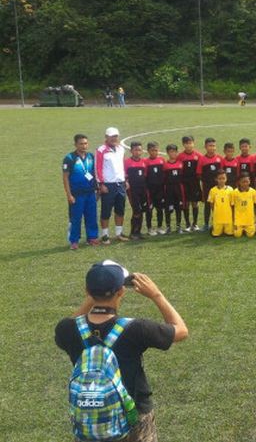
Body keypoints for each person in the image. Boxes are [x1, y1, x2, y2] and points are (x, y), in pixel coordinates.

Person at [55, 260, 188, 442]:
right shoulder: (136, 328)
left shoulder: (67, 328)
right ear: (121, 291)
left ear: (87, 291)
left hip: (92, 416)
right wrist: (156, 295)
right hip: (134, 412)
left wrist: (93, 299)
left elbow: (73, 322)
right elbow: (180, 330)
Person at [63, 134, 99, 249]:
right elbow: (65, 178)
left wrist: (97, 189)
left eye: (85, 143)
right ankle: (74, 241)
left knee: (91, 216)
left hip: (90, 193)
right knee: (76, 218)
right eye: (81, 144)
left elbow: (94, 174)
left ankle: (92, 238)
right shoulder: (69, 158)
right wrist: (69, 195)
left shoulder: (91, 156)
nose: (84, 146)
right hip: (77, 195)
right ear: (75, 144)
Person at [96, 127, 129, 244]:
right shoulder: (101, 150)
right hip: (108, 185)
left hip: (120, 184)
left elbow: (122, 165)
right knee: (106, 211)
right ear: (106, 137)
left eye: (116, 136)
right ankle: (105, 235)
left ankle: (118, 233)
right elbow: (98, 168)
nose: (114, 138)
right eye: (112, 136)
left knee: (120, 210)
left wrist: (126, 180)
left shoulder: (120, 149)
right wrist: (101, 184)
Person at [196, 138, 223, 231]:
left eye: (213, 146)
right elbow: (199, 173)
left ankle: (217, 222)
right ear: (205, 147)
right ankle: (206, 224)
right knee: (207, 205)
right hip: (207, 187)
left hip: (218, 187)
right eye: (210, 146)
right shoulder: (202, 159)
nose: (212, 148)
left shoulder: (220, 158)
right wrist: (206, 181)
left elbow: (223, 173)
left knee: (218, 205)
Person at [177, 136, 202, 232]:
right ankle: (187, 224)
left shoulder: (198, 156)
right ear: (183, 145)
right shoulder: (180, 156)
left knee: (195, 203)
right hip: (184, 184)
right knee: (186, 203)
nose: (189, 145)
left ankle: (195, 224)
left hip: (195, 183)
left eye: (190, 143)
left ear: (193, 143)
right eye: (186, 143)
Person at [124, 142, 148, 240]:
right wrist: (126, 182)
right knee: (136, 210)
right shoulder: (127, 162)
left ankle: (138, 232)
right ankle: (133, 233)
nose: (138, 152)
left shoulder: (144, 162)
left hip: (142, 189)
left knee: (141, 210)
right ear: (131, 151)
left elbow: (145, 175)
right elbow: (124, 175)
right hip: (132, 190)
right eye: (135, 150)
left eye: (139, 150)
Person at [144, 142, 166, 235]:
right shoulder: (145, 162)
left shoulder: (162, 160)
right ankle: (149, 228)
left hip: (160, 189)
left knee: (160, 208)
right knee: (149, 209)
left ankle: (159, 227)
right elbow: (144, 176)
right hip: (150, 189)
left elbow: (165, 173)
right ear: (148, 151)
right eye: (152, 150)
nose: (154, 152)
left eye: (156, 150)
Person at [163, 145, 185, 234]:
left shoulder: (180, 163)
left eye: (174, 152)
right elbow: (163, 177)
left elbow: (182, 176)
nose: (173, 154)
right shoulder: (165, 165)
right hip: (169, 189)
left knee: (178, 208)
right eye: (170, 152)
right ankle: (168, 227)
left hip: (178, 189)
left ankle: (178, 226)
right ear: (168, 153)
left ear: (177, 152)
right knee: (168, 208)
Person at [207, 170, 235, 237]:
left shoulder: (230, 189)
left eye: (223, 178)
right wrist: (214, 212)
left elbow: (232, 203)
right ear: (216, 179)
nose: (222, 180)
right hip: (218, 216)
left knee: (230, 234)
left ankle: (227, 228)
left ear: (226, 179)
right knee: (216, 235)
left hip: (228, 216)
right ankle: (214, 227)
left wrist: (233, 214)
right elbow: (211, 203)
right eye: (220, 179)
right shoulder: (213, 190)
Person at [232, 172, 256, 238]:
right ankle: (241, 229)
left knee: (250, 235)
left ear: (249, 181)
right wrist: (233, 220)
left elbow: (255, 205)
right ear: (239, 182)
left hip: (249, 219)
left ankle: (248, 227)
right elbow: (232, 206)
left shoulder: (253, 192)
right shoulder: (235, 192)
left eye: (247, 181)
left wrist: (254, 219)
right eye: (243, 182)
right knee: (237, 235)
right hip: (238, 219)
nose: (245, 183)